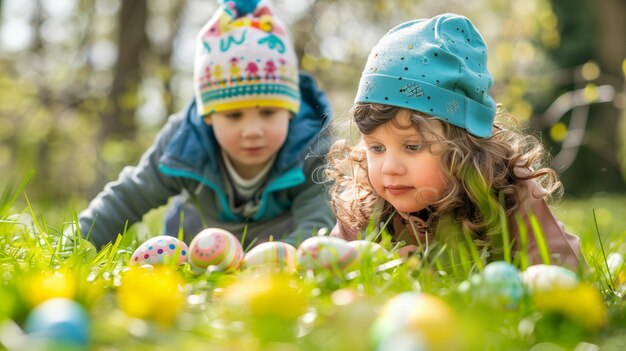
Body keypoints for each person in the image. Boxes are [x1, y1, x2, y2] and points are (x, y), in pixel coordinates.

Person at [326, 13, 582, 270]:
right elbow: (328, 265)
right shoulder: (364, 203)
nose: (389, 168)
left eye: (413, 146)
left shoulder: (510, 191)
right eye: (376, 148)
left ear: (465, 146)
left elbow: (560, 267)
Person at [77, 0, 335, 250]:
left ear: (290, 111)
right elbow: (129, 196)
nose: (253, 131)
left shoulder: (312, 149)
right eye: (234, 116)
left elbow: (316, 226)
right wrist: (76, 245)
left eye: (268, 113)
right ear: (208, 116)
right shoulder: (185, 143)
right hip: (196, 250)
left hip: (276, 248)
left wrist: (268, 264)